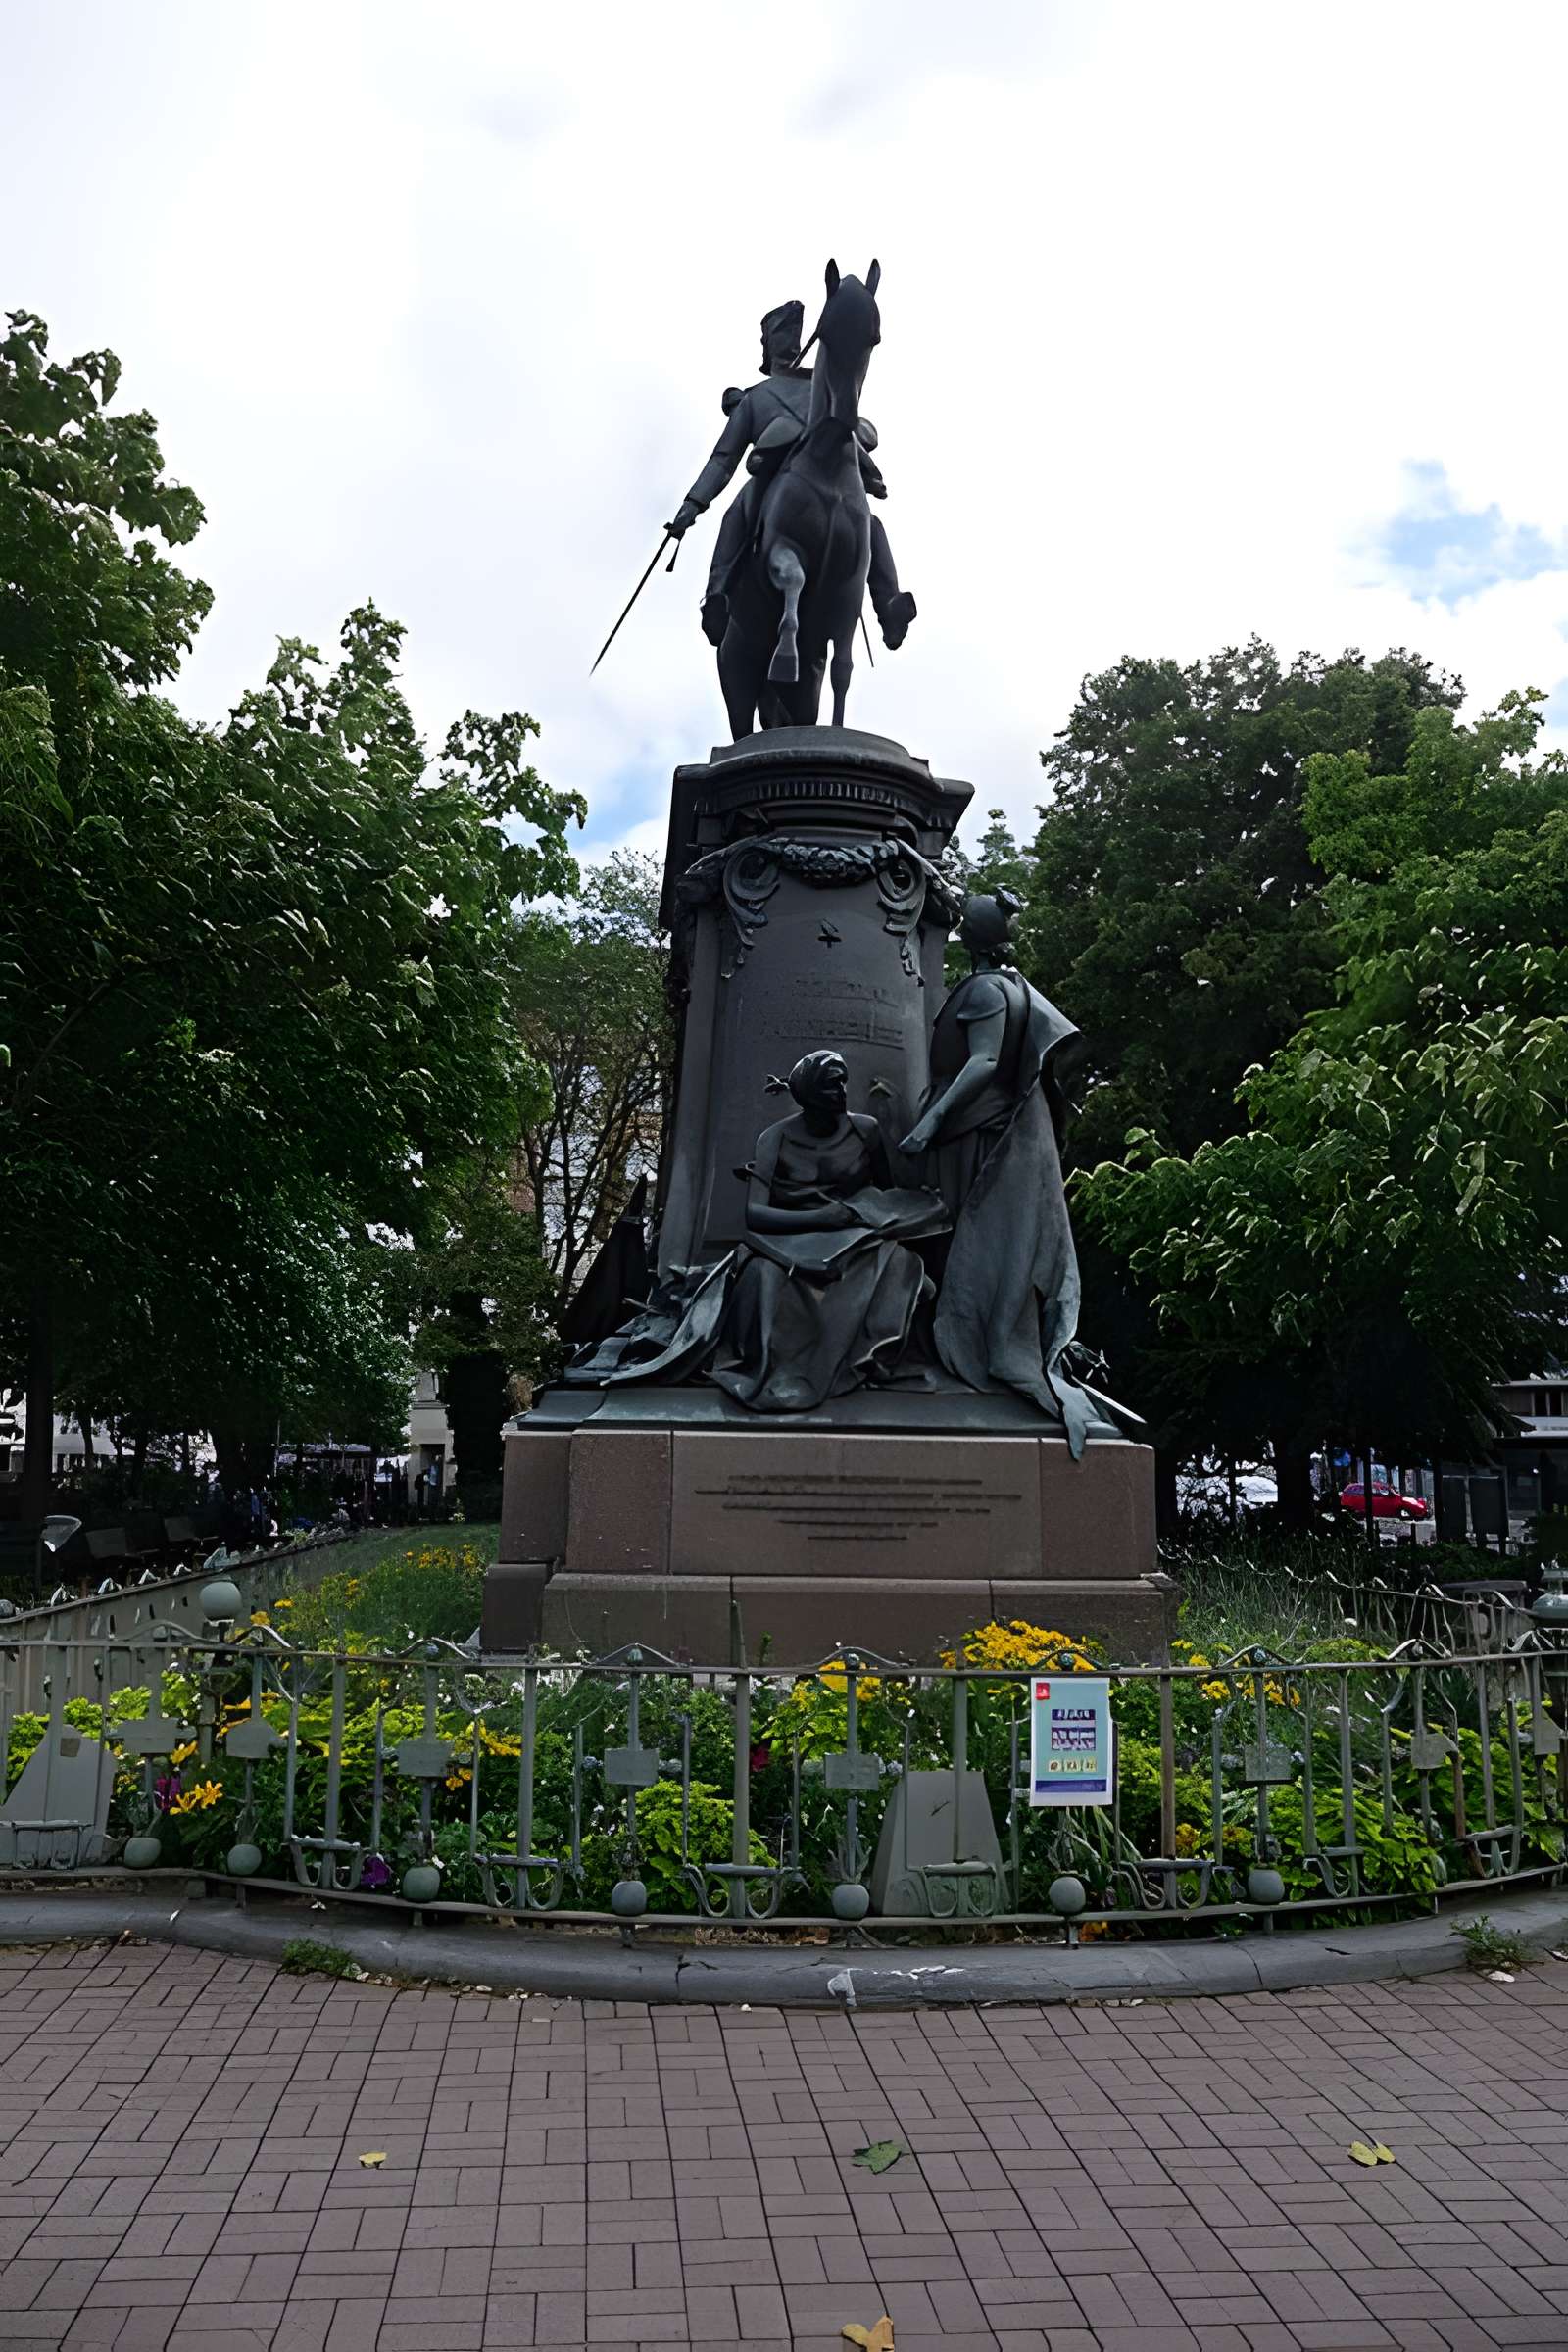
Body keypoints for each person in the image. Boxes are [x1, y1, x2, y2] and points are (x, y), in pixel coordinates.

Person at [900, 890, 1106, 1457]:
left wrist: (929, 1125)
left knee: (960, 1242)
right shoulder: (1008, 984)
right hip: (973, 1131)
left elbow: (985, 1063)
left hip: (971, 1136)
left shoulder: (988, 990)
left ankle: (959, 1347)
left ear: (969, 937)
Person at [668, 299, 917, 652]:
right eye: (783, 333)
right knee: (736, 514)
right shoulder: (754, 400)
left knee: (870, 524)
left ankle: (888, 605)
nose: (790, 340)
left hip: (833, 474)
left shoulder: (823, 386)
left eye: (794, 333)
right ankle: (717, 596)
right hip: (773, 473)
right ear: (769, 345)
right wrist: (693, 504)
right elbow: (723, 460)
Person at [710, 1050, 945, 1411]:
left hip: (856, 1237)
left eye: (843, 1082)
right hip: (794, 1239)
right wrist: (822, 1217)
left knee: (901, 1265)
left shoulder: (865, 1130)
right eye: (831, 1085)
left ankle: (866, 1361)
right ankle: (792, 1373)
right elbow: (755, 1214)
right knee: (762, 1277)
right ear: (807, 1094)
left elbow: (888, 1191)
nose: (841, 1092)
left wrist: (905, 1208)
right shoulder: (775, 1138)